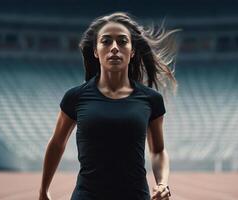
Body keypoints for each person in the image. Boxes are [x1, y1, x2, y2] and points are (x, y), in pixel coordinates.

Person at [39, 12, 178, 200]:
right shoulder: (76, 97)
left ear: (133, 50)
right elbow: (57, 143)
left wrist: (162, 182)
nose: (114, 48)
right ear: (95, 51)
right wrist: (43, 190)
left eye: (122, 41)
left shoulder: (151, 99)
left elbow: (158, 151)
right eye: (106, 41)